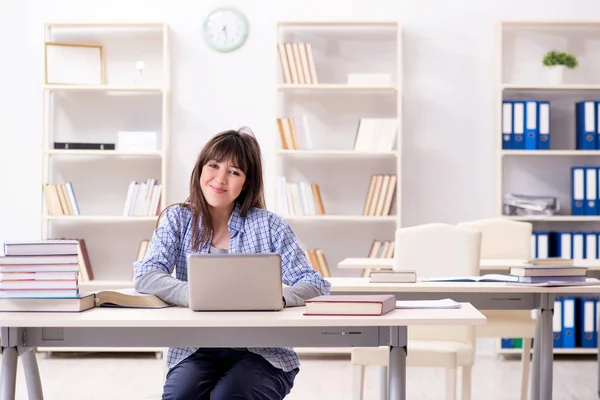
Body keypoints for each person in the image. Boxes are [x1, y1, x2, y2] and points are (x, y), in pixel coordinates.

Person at [133, 127, 331, 400]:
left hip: (262, 352)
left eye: (234, 172)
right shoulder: (177, 219)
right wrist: (195, 295)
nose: (220, 179)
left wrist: (278, 297)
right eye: (213, 166)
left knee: (228, 397)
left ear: (247, 182)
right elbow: (147, 274)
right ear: (200, 169)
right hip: (196, 349)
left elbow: (315, 283)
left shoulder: (269, 225)